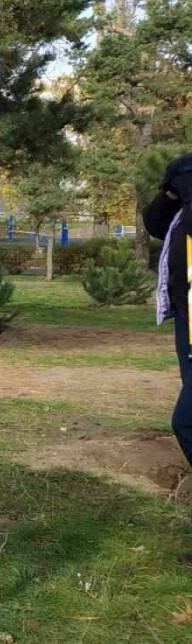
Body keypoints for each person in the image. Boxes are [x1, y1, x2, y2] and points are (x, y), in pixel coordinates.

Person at [142, 154, 192, 568]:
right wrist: (173, 190)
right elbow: (155, 223)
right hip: (186, 315)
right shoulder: (182, 198)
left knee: (186, 421)